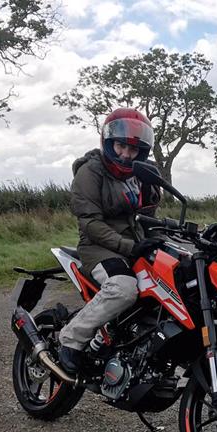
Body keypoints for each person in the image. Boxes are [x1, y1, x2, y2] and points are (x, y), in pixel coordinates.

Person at [57, 107, 162, 374]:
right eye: (120, 146)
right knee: (123, 288)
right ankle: (71, 338)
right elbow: (90, 223)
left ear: (143, 151)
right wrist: (130, 247)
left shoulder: (144, 175)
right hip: (98, 247)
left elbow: (150, 215)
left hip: (132, 245)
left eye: (133, 149)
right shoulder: (90, 172)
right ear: (108, 142)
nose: (126, 154)